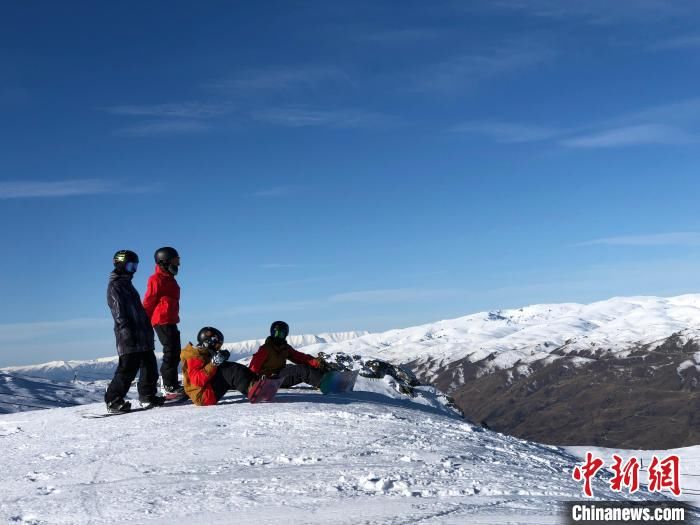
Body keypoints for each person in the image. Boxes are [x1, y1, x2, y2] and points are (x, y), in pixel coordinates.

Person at [105, 250, 164, 413]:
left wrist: (146, 329)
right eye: (131, 266)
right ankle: (113, 400)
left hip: (141, 334)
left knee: (150, 366)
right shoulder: (115, 286)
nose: (134, 270)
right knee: (127, 368)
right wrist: (126, 332)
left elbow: (138, 311)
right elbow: (119, 313)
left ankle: (147, 396)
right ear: (120, 264)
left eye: (135, 266)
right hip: (129, 335)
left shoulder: (128, 285)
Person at [143, 246, 183, 396]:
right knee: (171, 351)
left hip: (170, 319)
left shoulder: (169, 278)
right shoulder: (156, 279)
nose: (177, 264)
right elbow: (149, 300)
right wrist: (143, 320)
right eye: (174, 260)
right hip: (161, 320)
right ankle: (168, 385)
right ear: (164, 261)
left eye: (178, 260)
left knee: (175, 351)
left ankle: (171, 383)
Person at [181, 327, 257, 405]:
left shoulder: (203, 353)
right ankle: (253, 390)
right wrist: (214, 363)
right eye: (217, 345)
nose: (217, 348)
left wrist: (222, 357)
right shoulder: (193, 356)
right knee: (232, 371)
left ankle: (256, 382)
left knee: (232, 367)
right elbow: (197, 380)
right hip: (204, 395)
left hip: (206, 391)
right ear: (208, 342)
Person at [249, 321, 325, 388]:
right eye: (275, 333)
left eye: (280, 334)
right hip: (268, 380)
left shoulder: (285, 348)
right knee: (302, 370)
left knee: (298, 367)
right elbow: (253, 367)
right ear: (271, 333)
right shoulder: (265, 349)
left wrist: (316, 363)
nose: (277, 336)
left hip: (279, 377)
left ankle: (326, 377)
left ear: (285, 335)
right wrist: (252, 382)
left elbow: (299, 357)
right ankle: (324, 383)